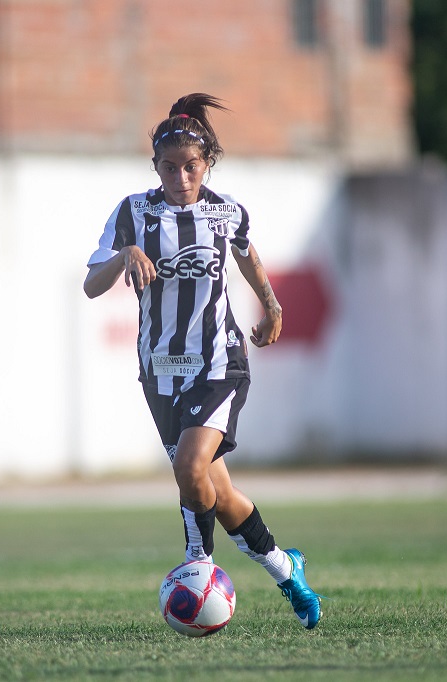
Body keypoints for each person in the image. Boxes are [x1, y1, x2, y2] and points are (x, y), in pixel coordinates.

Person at [82, 93, 322, 629]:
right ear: (155, 168)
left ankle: (198, 566)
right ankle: (288, 570)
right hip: (159, 373)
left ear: (206, 163)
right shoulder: (132, 213)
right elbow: (91, 285)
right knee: (218, 492)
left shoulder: (226, 210)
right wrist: (124, 257)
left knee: (189, 469)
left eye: (191, 166)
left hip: (219, 362)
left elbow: (248, 254)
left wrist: (272, 305)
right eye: (170, 168)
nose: (181, 177)